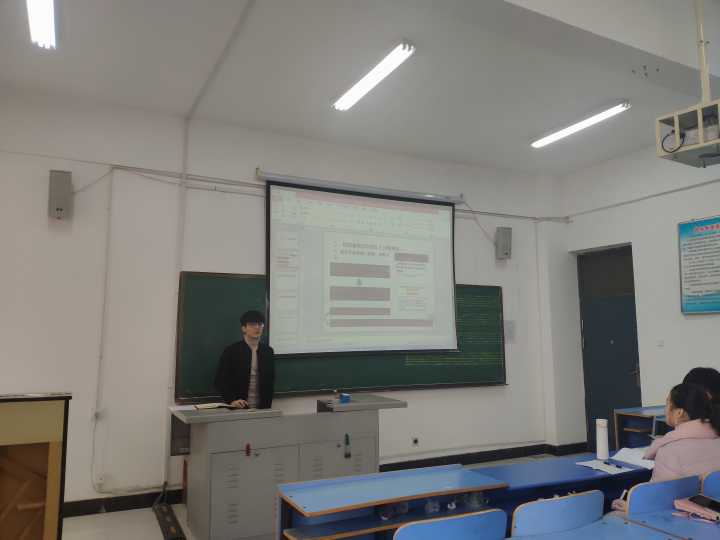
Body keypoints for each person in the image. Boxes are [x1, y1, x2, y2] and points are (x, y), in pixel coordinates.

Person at [643, 382, 720, 482]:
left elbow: (658, 491)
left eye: (667, 404)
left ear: (680, 413)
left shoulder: (669, 452)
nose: (665, 410)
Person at [214, 310, 275, 409]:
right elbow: (220, 381)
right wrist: (232, 400)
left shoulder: (268, 352)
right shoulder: (231, 351)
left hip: (263, 408)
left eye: (260, 324)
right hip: (238, 408)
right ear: (243, 328)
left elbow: (270, 382)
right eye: (252, 324)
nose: (257, 327)